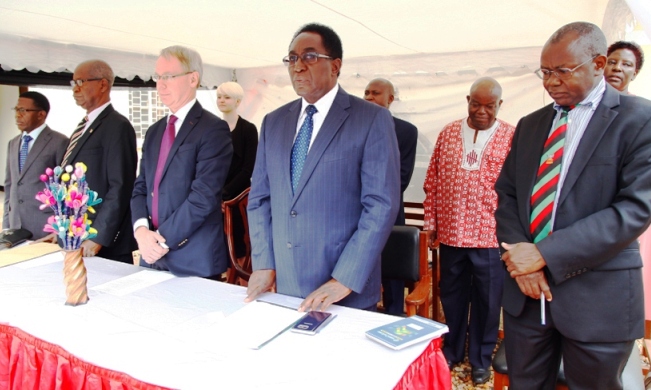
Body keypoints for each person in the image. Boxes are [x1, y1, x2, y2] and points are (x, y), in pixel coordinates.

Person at [495, 22, 651, 389]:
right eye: (545, 72)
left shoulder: (638, 120)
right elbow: (508, 194)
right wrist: (523, 261)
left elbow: (634, 209)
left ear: (598, 63)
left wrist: (545, 254)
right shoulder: (531, 125)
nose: (550, 82)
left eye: (562, 71)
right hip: (527, 298)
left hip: (597, 299)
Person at [244, 23, 400, 312]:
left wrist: (345, 278)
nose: (298, 66)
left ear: (335, 65)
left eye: (310, 56)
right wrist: (264, 261)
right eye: (292, 58)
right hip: (286, 284)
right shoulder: (273, 122)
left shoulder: (370, 119)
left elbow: (380, 205)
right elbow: (260, 200)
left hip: (342, 288)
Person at [423, 77, 514, 384]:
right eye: (476, 103)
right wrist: (431, 223)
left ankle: (481, 357)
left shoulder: (512, 137)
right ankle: (452, 350)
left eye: (490, 105)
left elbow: (516, 190)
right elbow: (432, 180)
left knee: (489, 301)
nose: (482, 111)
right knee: (452, 295)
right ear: (467, 100)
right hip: (450, 234)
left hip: (490, 236)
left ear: (500, 105)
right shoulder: (448, 133)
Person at [131, 46, 233, 278]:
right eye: (158, 77)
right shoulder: (155, 131)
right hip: (151, 253)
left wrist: (159, 242)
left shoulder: (213, 129)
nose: (160, 84)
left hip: (193, 257)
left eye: (168, 76)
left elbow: (203, 197)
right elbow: (141, 187)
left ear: (193, 79)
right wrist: (141, 230)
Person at [65, 60, 138, 262]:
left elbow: (121, 186)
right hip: (76, 235)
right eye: (73, 83)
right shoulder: (84, 126)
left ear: (103, 84)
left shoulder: (117, 126)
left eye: (80, 81)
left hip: (102, 244)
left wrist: (98, 235)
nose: (75, 89)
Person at [363, 78, 417, 315]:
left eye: (375, 93)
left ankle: (394, 314)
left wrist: (373, 201)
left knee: (393, 269)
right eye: (366, 93)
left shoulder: (406, 132)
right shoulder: (353, 127)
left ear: (390, 99)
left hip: (390, 213)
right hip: (357, 213)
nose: (369, 97)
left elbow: (401, 178)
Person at [3, 92, 68, 239]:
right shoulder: (13, 143)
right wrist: (6, 225)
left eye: (23, 110)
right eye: (16, 109)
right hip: (15, 226)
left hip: (45, 227)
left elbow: (65, 186)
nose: (17, 115)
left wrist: (59, 228)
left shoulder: (59, 142)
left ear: (41, 114)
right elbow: (10, 185)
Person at [217, 81, 258, 258]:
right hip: (215, 195)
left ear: (238, 102)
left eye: (227, 97)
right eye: (219, 97)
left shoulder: (248, 130)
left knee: (239, 242)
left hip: (238, 195)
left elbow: (248, 168)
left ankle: (241, 278)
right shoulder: (212, 129)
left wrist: (225, 195)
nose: (222, 101)